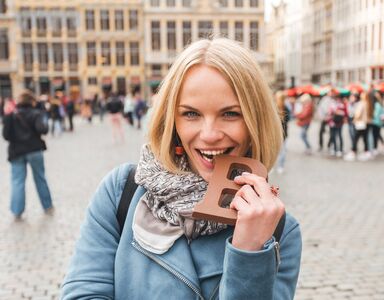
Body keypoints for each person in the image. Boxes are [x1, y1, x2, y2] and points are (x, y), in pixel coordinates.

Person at [61, 38, 301, 299]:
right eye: (191, 114)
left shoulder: (278, 230)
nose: (209, 134)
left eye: (230, 114)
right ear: (171, 120)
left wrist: (249, 253)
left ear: (256, 121)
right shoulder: (121, 192)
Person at [2, 91, 54, 220]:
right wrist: (42, 112)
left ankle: (17, 211)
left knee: (17, 181)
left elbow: (6, 136)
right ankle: (47, 206)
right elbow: (44, 130)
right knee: (40, 178)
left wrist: (8, 116)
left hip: (17, 151)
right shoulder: (36, 113)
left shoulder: (12, 115)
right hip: (34, 149)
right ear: (32, 101)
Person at [344, 92, 371, 161]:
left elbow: (358, 113)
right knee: (364, 138)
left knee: (356, 137)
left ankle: (353, 151)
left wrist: (355, 119)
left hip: (360, 123)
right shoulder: (368, 103)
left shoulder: (362, 103)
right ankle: (366, 151)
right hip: (366, 122)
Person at [274, 90, 291, 174]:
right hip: (279, 133)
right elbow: (289, 119)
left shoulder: (281, 108)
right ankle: (279, 166)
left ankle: (279, 166)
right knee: (280, 151)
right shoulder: (275, 107)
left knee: (279, 151)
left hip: (279, 133)